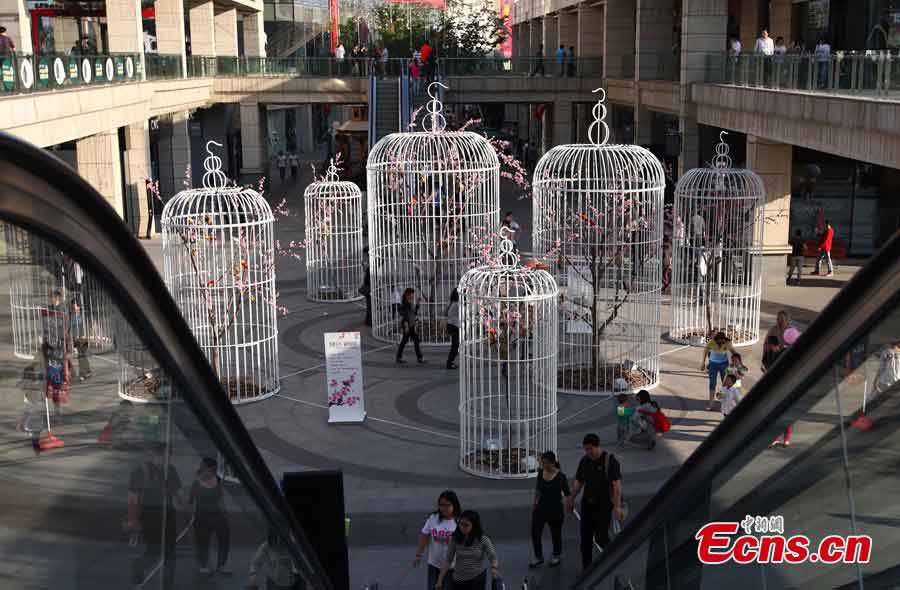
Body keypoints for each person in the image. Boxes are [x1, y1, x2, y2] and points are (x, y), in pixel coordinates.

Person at [127, 443, 184, 589]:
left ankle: (168, 584)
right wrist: (132, 520)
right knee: (154, 550)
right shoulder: (140, 472)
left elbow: (176, 493)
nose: (168, 458)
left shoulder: (171, 470)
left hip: (169, 516)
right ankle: (139, 565)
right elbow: (133, 498)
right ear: (155, 455)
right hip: (149, 516)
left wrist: (184, 506)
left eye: (169, 455)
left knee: (170, 551)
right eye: (165, 455)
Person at [567, 433, 624, 568]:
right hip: (587, 504)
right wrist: (570, 498)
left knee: (601, 537)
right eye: (585, 449)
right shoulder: (585, 461)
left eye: (590, 449)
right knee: (585, 540)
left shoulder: (610, 461)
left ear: (597, 446)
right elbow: (579, 482)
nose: (587, 452)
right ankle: (587, 568)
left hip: (603, 506)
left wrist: (617, 507)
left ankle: (612, 559)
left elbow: (616, 486)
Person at [435, 510, 499, 590]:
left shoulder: (483, 539)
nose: (462, 527)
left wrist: (494, 568)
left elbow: (492, 556)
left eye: (466, 525)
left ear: (474, 525)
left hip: (477, 578)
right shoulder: (455, 539)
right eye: (461, 524)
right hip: (459, 579)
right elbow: (448, 560)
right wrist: (439, 580)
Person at [189, 457, 231, 576]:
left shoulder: (217, 480)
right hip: (201, 516)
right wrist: (191, 517)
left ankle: (221, 565)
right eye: (203, 467)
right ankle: (203, 565)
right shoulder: (196, 483)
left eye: (205, 467)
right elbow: (191, 502)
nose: (203, 469)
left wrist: (226, 513)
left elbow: (220, 499)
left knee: (224, 538)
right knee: (202, 541)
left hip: (217, 515)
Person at [530, 451, 570, 569]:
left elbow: (567, 493)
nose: (543, 465)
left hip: (555, 510)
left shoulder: (561, 477)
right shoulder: (541, 473)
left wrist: (569, 504)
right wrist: (535, 503)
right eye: (542, 462)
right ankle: (539, 557)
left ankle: (556, 555)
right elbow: (538, 490)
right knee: (535, 533)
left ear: (552, 463)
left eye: (545, 463)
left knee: (555, 534)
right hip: (540, 509)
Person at [414, 490, 461, 590]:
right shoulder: (433, 518)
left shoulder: (460, 522)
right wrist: (418, 555)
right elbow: (424, 535)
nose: (443, 508)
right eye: (441, 505)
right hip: (434, 565)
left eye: (447, 505)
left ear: (454, 505)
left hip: (452, 568)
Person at [701, 331, 735, 411]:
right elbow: (705, 351)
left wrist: (737, 363)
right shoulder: (711, 342)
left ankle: (726, 402)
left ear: (724, 340)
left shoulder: (728, 343)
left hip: (724, 364)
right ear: (716, 340)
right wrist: (703, 362)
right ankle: (711, 403)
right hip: (713, 364)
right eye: (719, 342)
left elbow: (734, 352)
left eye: (722, 342)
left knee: (726, 383)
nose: (720, 344)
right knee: (712, 383)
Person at [397, 288, 425, 364]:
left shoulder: (410, 302)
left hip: (411, 324)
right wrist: (406, 326)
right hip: (407, 325)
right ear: (406, 295)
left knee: (415, 341)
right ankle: (399, 357)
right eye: (411, 294)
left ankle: (419, 357)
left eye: (413, 294)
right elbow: (405, 315)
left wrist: (418, 304)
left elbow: (414, 312)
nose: (412, 296)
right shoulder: (405, 304)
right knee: (405, 341)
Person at [69, 299, 92, 381]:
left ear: (78, 306)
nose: (74, 307)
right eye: (73, 305)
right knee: (82, 355)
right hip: (77, 338)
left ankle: (82, 374)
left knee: (81, 355)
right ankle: (88, 371)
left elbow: (88, 326)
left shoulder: (82, 316)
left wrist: (86, 335)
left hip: (83, 338)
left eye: (75, 305)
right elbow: (71, 328)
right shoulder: (72, 316)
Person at [446, 289, 460, 370]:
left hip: (451, 325)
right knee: (455, 346)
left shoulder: (452, 303)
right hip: (454, 326)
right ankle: (449, 363)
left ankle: (450, 362)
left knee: (455, 345)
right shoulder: (457, 305)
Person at [360, 247, 372, 326]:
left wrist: (365, 266)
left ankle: (370, 321)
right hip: (370, 286)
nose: (364, 256)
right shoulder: (370, 262)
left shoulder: (371, 262)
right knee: (369, 305)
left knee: (370, 305)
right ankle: (369, 320)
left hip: (370, 286)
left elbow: (367, 273)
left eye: (364, 254)